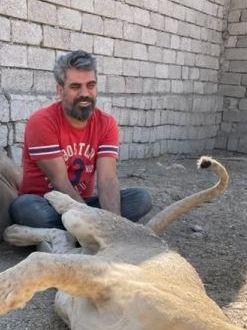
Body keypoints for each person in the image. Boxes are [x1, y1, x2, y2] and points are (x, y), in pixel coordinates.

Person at [9, 50, 152, 230]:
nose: (85, 93)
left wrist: (115, 226)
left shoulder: (107, 124)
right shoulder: (42, 121)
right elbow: (59, 181)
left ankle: (81, 232)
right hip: (46, 203)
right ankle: (87, 231)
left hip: (83, 203)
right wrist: (94, 219)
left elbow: (107, 180)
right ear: (60, 90)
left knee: (141, 199)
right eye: (76, 87)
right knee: (25, 209)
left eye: (90, 85)